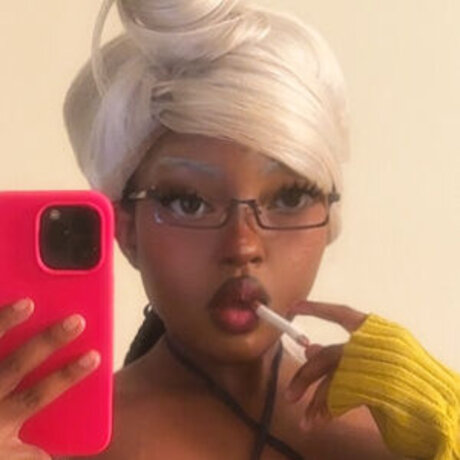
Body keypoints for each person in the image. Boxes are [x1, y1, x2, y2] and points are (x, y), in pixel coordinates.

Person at [0, 0, 458, 459]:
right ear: (125, 230)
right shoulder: (52, 446)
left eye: (290, 197)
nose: (243, 245)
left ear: (330, 219)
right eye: (189, 202)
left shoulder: (400, 435)